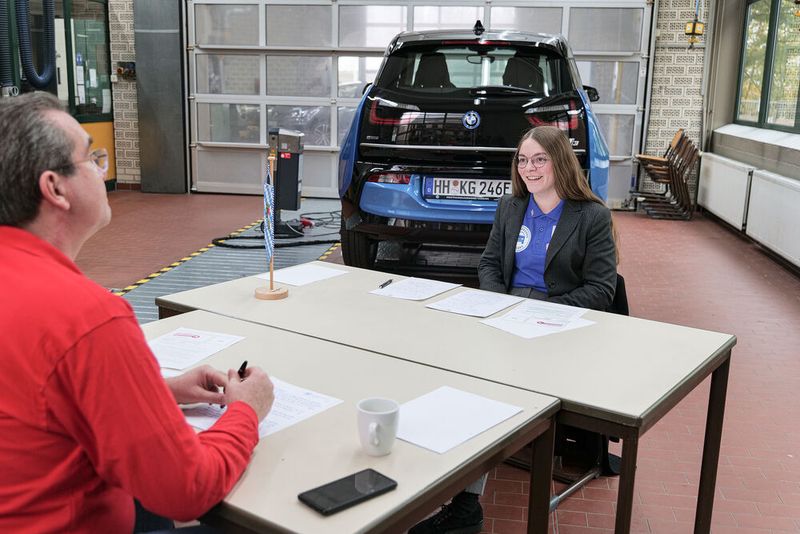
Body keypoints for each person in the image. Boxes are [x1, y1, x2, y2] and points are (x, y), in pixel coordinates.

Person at [0, 92, 275, 532]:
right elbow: (187, 490)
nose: (102, 170)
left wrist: (158, 393)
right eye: (92, 158)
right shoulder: (87, 317)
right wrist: (246, 411)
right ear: (55, 188)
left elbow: (33, 407)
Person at [410, 126, 617, 534]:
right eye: (522, 160)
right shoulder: (511, 206)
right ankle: (435, 474)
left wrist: (539, 312)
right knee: (446, 365)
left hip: (556, 321)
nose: (529, 168)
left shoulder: (591, 216)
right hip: (504, 313)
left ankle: (465, 507)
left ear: (561, 162)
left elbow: (601, 289)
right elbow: (489, 263)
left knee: (487, 385)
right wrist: (498, 304)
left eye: (539, 159)